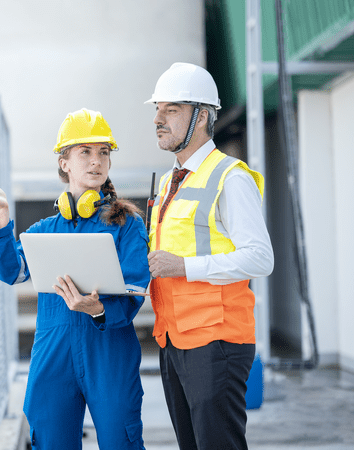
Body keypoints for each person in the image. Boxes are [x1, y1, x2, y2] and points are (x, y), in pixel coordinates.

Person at [0, 108, 151, 450]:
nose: (96, 161)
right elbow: (11, 271)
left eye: (103, 153)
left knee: (120, 443)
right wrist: (3, 217)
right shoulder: (44, 231)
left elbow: (134, 292)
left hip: (108, 354)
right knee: (51, 442)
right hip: (53, 354)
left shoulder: (127, 226)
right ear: (64, 163)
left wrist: (97, 309)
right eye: (85, 152)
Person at [144, 62, 274, 450]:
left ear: (202, 116)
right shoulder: (169, 181)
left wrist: (185, 267)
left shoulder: (230, 177)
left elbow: (260, 258)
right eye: (157, 109)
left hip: (216, 342)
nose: (157, 119)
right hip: (173, 338)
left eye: (171, 110)